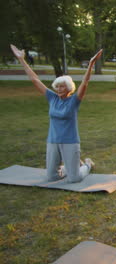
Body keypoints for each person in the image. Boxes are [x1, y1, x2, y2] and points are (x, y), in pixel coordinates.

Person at [10, 44, 102, 183]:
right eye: (57, 86)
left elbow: (85, 83)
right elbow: (35, 80)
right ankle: (72, 164)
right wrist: (22, 60)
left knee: (74, 178)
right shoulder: (52, 98)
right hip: (53, 141)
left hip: (70, 141)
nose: (59, 89)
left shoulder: (74, 100)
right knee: (51, 177)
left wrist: (91, 64)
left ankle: (87, 164)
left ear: (69, 88)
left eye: (62, 86)